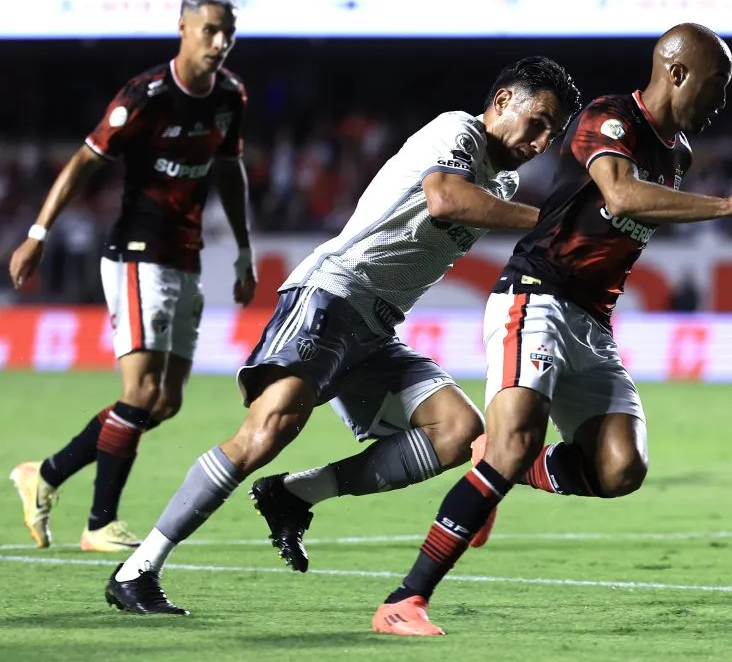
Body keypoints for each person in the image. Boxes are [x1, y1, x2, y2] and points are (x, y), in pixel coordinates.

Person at [103, 56, 581, 615]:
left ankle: (293, 494)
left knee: (456, 431)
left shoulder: (504, 182)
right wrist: (551, 218)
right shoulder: (459, 131)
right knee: (267, 430)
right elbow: (445, 199)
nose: (541, 142)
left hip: (377, 326)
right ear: (502, 102)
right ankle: (137, 570)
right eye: (537, 123)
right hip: (332, 295)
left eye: (553, 134)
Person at [370, 23, 732, 636]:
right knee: (515, 443)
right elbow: (619, 196)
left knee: (621, 468)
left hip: (593, 320)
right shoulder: (609, 116)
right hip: (535, 295)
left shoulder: (677, 155)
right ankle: (405, 601)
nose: (722, 100)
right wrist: (726, 206)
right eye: (716, 84)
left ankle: (502, 462)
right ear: (677, 74)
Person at [8, 0, 255, 552]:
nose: (219, 43)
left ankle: (44, 474)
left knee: (164, 402)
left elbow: (228, 171)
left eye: (228, 32)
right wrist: (38, 234)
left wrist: (245, 250)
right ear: (183, 28)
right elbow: (83, 162)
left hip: (186, 255)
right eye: (210, 30)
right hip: (138, 252)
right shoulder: (147, 95)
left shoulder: (230, 96)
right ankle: (100, 523)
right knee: (140, 390)